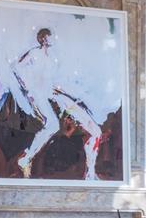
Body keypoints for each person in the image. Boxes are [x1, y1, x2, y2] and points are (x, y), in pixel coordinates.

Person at [8, 27, 103, 180]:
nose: (52, 39)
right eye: (49, 36)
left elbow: (52, 80)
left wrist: (65, 92)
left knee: (95, 130)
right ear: (43, 39)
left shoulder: (52, 58)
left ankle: (90, 173)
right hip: (38, 95)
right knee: (52, 125)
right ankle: (26, 158)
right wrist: (28, 87)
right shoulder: (34, 53)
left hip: (52, 93)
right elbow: (16, 67)